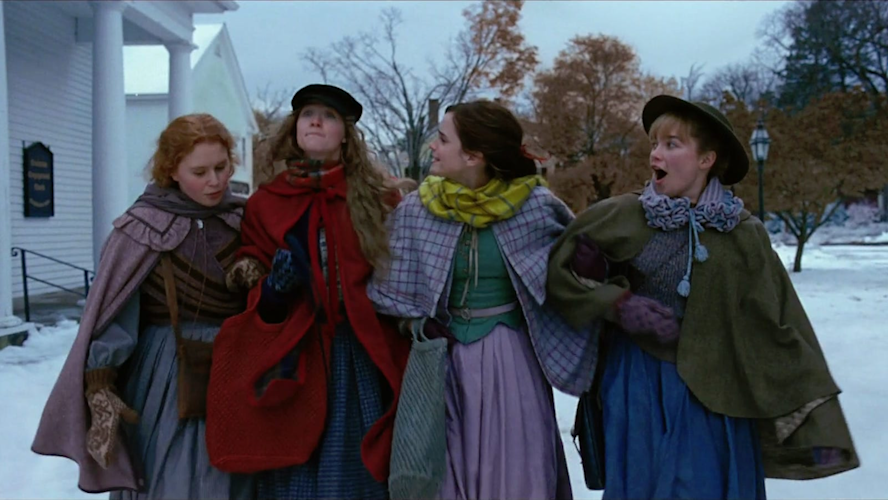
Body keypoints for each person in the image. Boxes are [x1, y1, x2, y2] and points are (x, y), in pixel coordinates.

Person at [547, 95, 859, 499]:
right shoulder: (622, 215)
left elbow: (780, 322)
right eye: (654, 144)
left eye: (671, 144)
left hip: (718, 392)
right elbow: (560, 274)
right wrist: (617, 303)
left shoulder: (743, 234)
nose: (655, 154)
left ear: (706, 159)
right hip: (639, 385)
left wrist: (816, 420)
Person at [368, 100, 598, 500]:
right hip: (443, 366)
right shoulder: (417, 209)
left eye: (443, 139)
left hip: (512, 361)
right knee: (445, 476)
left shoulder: (535, 206)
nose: (433, 147)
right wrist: (416, 324)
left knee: (517, 473)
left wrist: (589, 267)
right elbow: (390, 287)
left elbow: (571, 279)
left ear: (473, 156)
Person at [206, 84, 410, 500]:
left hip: (356, 353)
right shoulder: (265, 202)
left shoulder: (378, 199)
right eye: (308, 114)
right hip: (294, 353)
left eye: (329, 116)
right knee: (294, 470)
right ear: (294, 129)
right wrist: (275, 289)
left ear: (346, 135)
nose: (316, 121)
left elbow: (401, 273)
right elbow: (256, 300)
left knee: (354, 472)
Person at [32, 113, 251, 499]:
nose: (215, 181)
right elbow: (116, 313)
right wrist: (101, 384)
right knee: (172, 473)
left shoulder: (246, 220)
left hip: (238, 364)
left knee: (237, 475)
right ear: (172, 170)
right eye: (200, 172)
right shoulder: (142, 228)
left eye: (222, 167)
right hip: (166, 371)